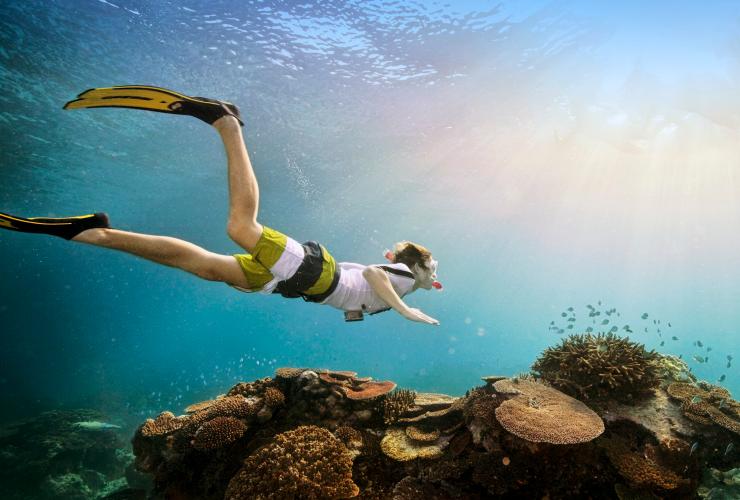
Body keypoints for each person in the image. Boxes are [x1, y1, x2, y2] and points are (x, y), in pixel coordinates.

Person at [0, 86, 441, 325]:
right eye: (431, 267)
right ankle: (225, 121)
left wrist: (358, 311)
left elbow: (360, 286)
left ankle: (89, 231)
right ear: (416, 266)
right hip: (310, 273)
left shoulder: (404, 282)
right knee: (240, 226)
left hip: (296, 283)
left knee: (206, 267)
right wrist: (404, 311)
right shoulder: (403, 280)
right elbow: (368, 274)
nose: (434, 274)